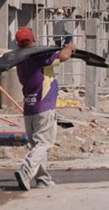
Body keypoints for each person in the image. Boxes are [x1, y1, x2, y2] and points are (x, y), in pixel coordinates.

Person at [14, 27, 76, 191]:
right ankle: (26, 171)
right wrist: (69, 47)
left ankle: (43, 179)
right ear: (33, 39)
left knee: (36, 145)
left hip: (29, 107)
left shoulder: (19, 60)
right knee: (44, 143)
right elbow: (62, 56)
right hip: (44, 105)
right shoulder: (40, 56)